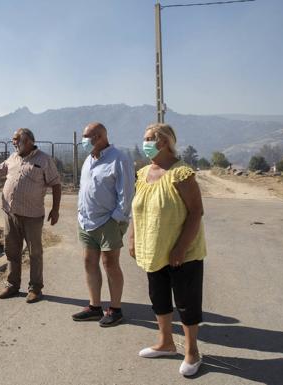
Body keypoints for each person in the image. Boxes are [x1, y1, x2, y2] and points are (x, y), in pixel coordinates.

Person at [129, 123, 207, 377]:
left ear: (164, 142)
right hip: (153, 249)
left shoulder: (181, 173)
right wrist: (132, 238)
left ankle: (192, 352)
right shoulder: (143, 174)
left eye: (150, 138)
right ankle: (165, 343)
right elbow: (137, 209)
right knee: (159, 298)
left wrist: (180, 248)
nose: (146, 143)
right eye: (145, 138)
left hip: (182, 253)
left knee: (186, 302)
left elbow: (196, 212)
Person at [0, 128, 61, 303]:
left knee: (35, 253)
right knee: (11, 251)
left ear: (29, 140)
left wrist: (55, 210)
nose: (14, 142)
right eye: (13, 140)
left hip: (32, 215)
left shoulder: (44, 160)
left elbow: (56, 184)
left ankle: (35, 289)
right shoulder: (13, 157)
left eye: (17, 139)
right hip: (10, 214)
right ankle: (12, 285)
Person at [71, 122, 135, 327]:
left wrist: (117, 218)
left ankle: (115, 309)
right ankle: (94, 307)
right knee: (89, 262)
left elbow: (126, 193)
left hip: (108, 221)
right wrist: (81, 212)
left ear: (99, 137)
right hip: (87, 220)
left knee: (110, 263)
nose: (83, 141)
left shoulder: (119, 159)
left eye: (86, 137)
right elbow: (86, 189)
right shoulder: (89, 160)